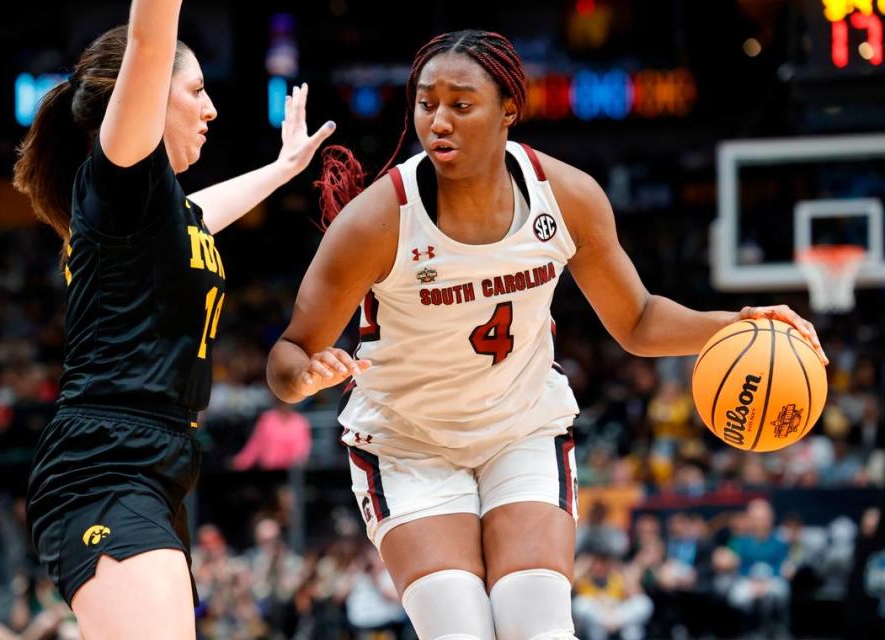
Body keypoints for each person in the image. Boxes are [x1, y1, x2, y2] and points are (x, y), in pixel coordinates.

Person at [266, 29, 827, 640]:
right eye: (427, 104)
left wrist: (736, 324)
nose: (439, 122)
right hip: (408, 444)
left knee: (538, 628)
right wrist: (303, 378)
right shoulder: (377, 219)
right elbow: (288, 353)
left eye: (461, 103)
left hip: (521, 430)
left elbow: (637, 321)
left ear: (509, 108)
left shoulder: (566, 197)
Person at [12, 1, 335, 637]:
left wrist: (283, 168)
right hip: (105, 464)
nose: (211, 109)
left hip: (157, 464)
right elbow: (150, 37)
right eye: (196, 90)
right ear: (146, 94)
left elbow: (204, 212)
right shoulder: (121, 176)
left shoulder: (159, 217)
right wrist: (155, 39)